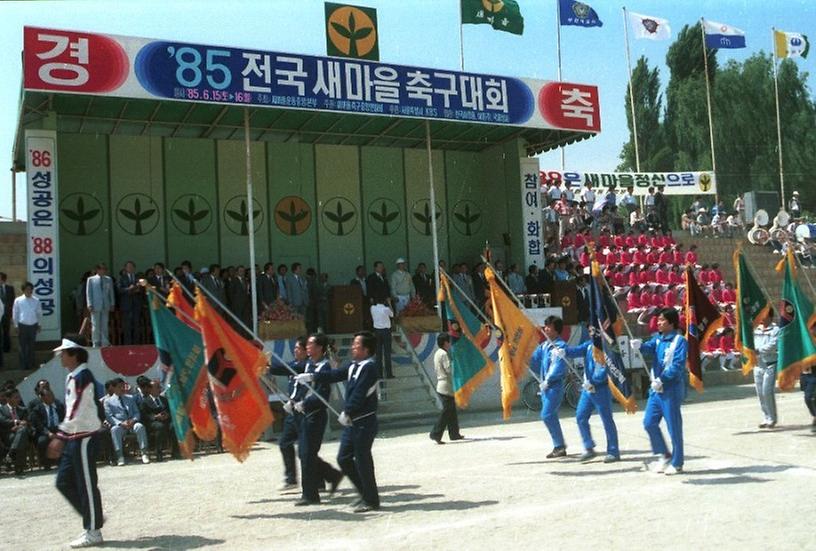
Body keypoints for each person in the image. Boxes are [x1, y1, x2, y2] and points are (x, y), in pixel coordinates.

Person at [297, 331, 381, 513]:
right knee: (343, 458)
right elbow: (334, 375)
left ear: (365, 350)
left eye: (356, 345)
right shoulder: (353, 366)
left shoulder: (369, 367)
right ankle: (364, 492)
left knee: (363, 460)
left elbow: (360, 392)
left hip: (364, 421)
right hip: (353, 423)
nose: (352, 347)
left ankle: (371, 499)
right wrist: (313, 377)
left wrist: (348, 411)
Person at [52, 334, 105, 548]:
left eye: (63, 353)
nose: (60, 356)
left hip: (83, 437)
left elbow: (76, 409)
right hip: (74, 436)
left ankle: (93, 530)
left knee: (86, 484)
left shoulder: (82, 376)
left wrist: (59, 435)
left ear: (74, 354)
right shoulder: (73, 376)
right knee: (63, 481)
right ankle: (93, 516)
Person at [631, 308, 688, 475]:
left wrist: (662, 379)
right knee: (649, 422)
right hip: (656, 391)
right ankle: (664, 454)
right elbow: (648, 347)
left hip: (670, 389)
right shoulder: (657, 339)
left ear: (671, 323)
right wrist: (639, 345)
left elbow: (677, 366)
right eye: (659, 320)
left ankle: (677, 462)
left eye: (662, 320)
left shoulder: (679, 341)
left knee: (673, 426)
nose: (658, 323)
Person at [291, 334, 344, 506]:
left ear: (320, 348)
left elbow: (322, 395)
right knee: (305, 453)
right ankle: (329, 476)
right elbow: (299, 383)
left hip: (315, 414)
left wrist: (304, 404)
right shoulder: (307, 364)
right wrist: (294, 401)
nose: (307, 347)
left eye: (311, 345)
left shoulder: (324, 367)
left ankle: (311, 494)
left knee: (307, 453)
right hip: (304, 413)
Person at [565, 334, 620, 463]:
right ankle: (588, 446)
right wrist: (564, 351)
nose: (591, 332)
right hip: (587, 389)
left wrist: (594, 382)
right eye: (589, 330)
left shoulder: (606, 347)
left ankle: (613, 451)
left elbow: (605, 369)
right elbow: (576, 351)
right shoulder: (588, 345)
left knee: (607, 420)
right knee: (580, 416)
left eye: (593, 329)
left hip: (601, 388)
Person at [269, 336, 309, 491]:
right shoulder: (295, 364)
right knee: (285, 443)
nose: (295, 350)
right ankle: (291, 478)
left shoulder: (305, 366)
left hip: (304, 411)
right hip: (293, 412)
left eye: (298, 348)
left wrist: (269, 368)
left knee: (306, 450)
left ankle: (325, 477)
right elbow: (285, 367)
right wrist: (266, 367)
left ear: (306, 351)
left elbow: (286, 369)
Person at [530, 316, 568, 458]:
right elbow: (534, 360)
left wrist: (548, 379)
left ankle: (559, 446)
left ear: (556, 330)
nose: (545, 329)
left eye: (549, 327)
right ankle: (559, 446)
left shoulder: (560, 346)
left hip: (554, 386)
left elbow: (558, 366)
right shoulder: (544, 346)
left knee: (546, 415)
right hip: (544, 387)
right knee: (550, 416)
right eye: (545, 326)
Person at [104, 378, 150, 466]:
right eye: (119, 387)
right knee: (114, 429)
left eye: (123, 386)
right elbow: (109, 416)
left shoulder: (130, 398)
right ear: (113, 388)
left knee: (140, 426)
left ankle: (144, 453)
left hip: (132, 423)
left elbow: (137, 412)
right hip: (120, 425)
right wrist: (121, 423)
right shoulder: (108, 401)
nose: (122, 388)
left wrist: (133, 420)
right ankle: (120, 456)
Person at [429, 333, 463, 444]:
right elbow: (449, 369)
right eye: (448, 341)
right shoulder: (444, 354)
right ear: (445, 342)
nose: (450, 343)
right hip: (446, 385)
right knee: (447, 411)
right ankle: (436, 433)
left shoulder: (437, 353)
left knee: (451, 411)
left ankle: (454, 433)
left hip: (442, 384)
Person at [753, 309, 779, 429]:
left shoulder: (775, 330)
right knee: (760, 393)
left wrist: (759, 350)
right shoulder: (756, 329)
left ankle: (772, 418)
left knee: (767, 391)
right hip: (758, 365)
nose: (762, 319)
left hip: (770, 363)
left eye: (765, 316)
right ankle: (766, 417)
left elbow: (773, 345)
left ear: (770, 317)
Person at [30, 387, 66, 470]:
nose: (52, 397)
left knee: (67, 438)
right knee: (42, 441)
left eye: (52, 395)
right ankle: (46, 463)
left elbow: (64, 419)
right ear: (42, 398)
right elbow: (38, 425)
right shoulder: (37, 409)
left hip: (59, 429)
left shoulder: (59, 406)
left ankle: (62, 461)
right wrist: (48, 433)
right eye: (49, 395)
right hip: (45, 431)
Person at [139, 381, 174, 461]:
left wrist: (167, 415)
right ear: (150, 389)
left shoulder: (164, 399)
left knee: (173, 426)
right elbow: (144, 415)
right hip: (152, 423)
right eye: (157, 387)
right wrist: (155, 417)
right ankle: (159, 452)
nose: (160, 389)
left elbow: (169, 411)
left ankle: (175, 451)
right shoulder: (145, 401)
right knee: (159, 426)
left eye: (159, 387)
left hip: (165, 420)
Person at [0, 387, 31, 474]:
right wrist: (16, 422)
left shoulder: (23, 409)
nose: (19, 399)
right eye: (16, 397)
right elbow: (2, 421)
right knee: (21, 436)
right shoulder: (1, 409)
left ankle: (11, 453)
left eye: (19, 397)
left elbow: (26, 421)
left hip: (21, 433)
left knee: (22, 432)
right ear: (8, 398)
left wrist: (19, 426)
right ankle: (19, 468)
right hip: (8, 434)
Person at [12, 282, 42, 370]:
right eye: (27, 289)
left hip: (33, 325)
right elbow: (15, 313)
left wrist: (39, 324)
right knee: (22, 346)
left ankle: (31, 364)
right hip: (22, 325)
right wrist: (16, 325)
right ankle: (23, 365)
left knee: (31, 346)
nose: (29, 291)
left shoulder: (36, 300)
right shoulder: (18, 300)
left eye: (30, 289)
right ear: (23, 290)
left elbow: (39, 313)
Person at [86, 264, 115, 347]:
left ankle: (105, 343)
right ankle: (96, 343)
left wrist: (112, 303)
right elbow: (89, 293)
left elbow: (111, 292)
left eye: (104, 269)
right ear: (97, 270)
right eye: (101, 269)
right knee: (95, 325)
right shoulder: (91, 279)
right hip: (95, 305)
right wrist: (89, 304)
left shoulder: (108, 279)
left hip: (106, 304)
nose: (103, 271)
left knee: (105, 325)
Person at [117, 261, 144, 345]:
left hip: (136, 304)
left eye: (132, 266)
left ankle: (136, 344)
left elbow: (143, 289)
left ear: (134, 268)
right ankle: (127, 344)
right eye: (128, 267)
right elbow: (119, 289)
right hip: (126, 305)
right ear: (125, 268)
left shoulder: (138, 278)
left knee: (136, 325)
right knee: (127, 326)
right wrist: (128, 289)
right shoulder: (122, 278)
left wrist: (139, 289)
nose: (130, 268)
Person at [370, 299, 394, 379]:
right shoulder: (386, 309)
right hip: (386, 331)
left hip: (377, 331)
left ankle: (379, 374)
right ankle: (389, 374)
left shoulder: (372, 308)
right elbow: (392, 314)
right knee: (387, 353)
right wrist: (390, 304)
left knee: (378, 354)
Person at [0, 272, 13, 354]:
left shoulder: (10, 288)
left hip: (7, 314)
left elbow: (13, 301)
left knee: (6, 331)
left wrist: (12, 314)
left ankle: (6, 349)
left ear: (4, 279)